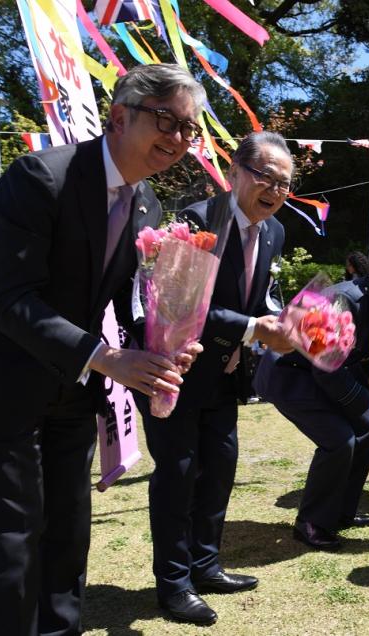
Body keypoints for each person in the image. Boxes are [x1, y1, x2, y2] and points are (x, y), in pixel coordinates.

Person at [0, 63, 206, 634]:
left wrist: (162, 344)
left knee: (69, 530)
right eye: (166, 121)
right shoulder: (40, 177)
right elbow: (10, 301)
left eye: (188, 129)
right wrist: (106, 358)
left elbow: (121, 299)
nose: (178, 139)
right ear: (119, 116)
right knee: (14, 539)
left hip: (73, 382)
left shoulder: (147, 205)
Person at [135, 131, 295, 626]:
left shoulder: (275, 231)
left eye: (284, 184)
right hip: (176, 370)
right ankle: (174, 583)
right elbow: (180, 305)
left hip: (226, 375)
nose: (274, 190)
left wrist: (287, 322)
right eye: (265, 176)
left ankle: (205, 565)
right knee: (178, 474)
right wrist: (254, 328)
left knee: (220, 468)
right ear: (234, 172)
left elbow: (258, 296)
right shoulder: (196, 221)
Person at [255, 241, 369, 550]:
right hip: (290, 376)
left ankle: (339, 512)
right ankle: (311, 523)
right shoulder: (345, 301)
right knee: (339, 440)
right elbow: (326, 369)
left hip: (317, 374)